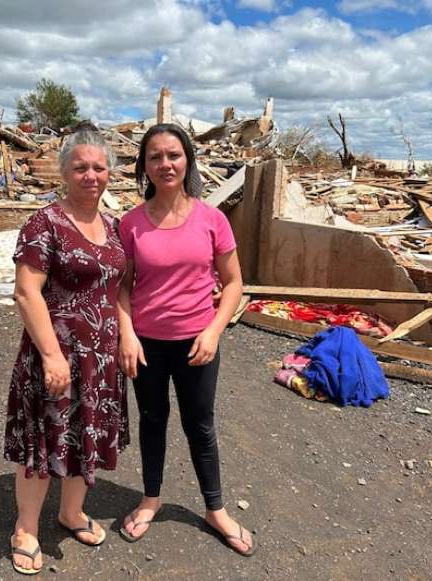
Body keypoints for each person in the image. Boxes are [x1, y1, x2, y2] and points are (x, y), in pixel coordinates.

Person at [117, 123, 255, 556]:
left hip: (198, 343)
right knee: (152, 420)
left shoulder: (212, 220)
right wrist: (127, 334)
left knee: (201, 425)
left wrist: (214, 330)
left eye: (173, 155)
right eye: (155, 156)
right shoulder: (131, 224)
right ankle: (151, 499)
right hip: (147, 344)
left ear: (188, 160)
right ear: (144, 166)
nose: (165, 164)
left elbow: (234, 283)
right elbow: (122, 286)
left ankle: (215, 509)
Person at [3, 129, 128, 575]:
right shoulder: (46, 223)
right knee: (42, 442)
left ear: (109, 172)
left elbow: (116, 291)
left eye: (98, 167)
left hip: (101, 359)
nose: (90, 175)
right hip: (56, 354)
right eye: (80, 167)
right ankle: (26, 528)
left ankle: (70, 513)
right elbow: (26, 293)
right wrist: (53, 356)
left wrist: (126, 337)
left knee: (85, 436)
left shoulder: (113, 228)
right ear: (64, 171)